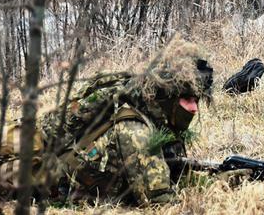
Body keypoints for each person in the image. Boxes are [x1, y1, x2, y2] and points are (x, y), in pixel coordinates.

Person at [37, 36, 214, 204]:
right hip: (42, 186)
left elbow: (169, 168)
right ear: (167, 98)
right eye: (187, 100)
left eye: (196, 101)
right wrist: (220, 183)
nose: (194, 109)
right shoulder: (136, 130)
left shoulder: (160, 121)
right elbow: (159, 201)